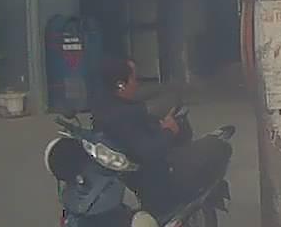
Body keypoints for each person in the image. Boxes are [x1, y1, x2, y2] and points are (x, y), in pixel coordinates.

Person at [91, 57, 232, 216]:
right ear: (120, 85)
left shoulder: (103, 107)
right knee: (215, 147)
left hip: (128, 171)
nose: (137, 83)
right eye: (134, 79)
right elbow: (149, 151)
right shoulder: (126, 116)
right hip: (153, 176)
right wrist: (169, 131)